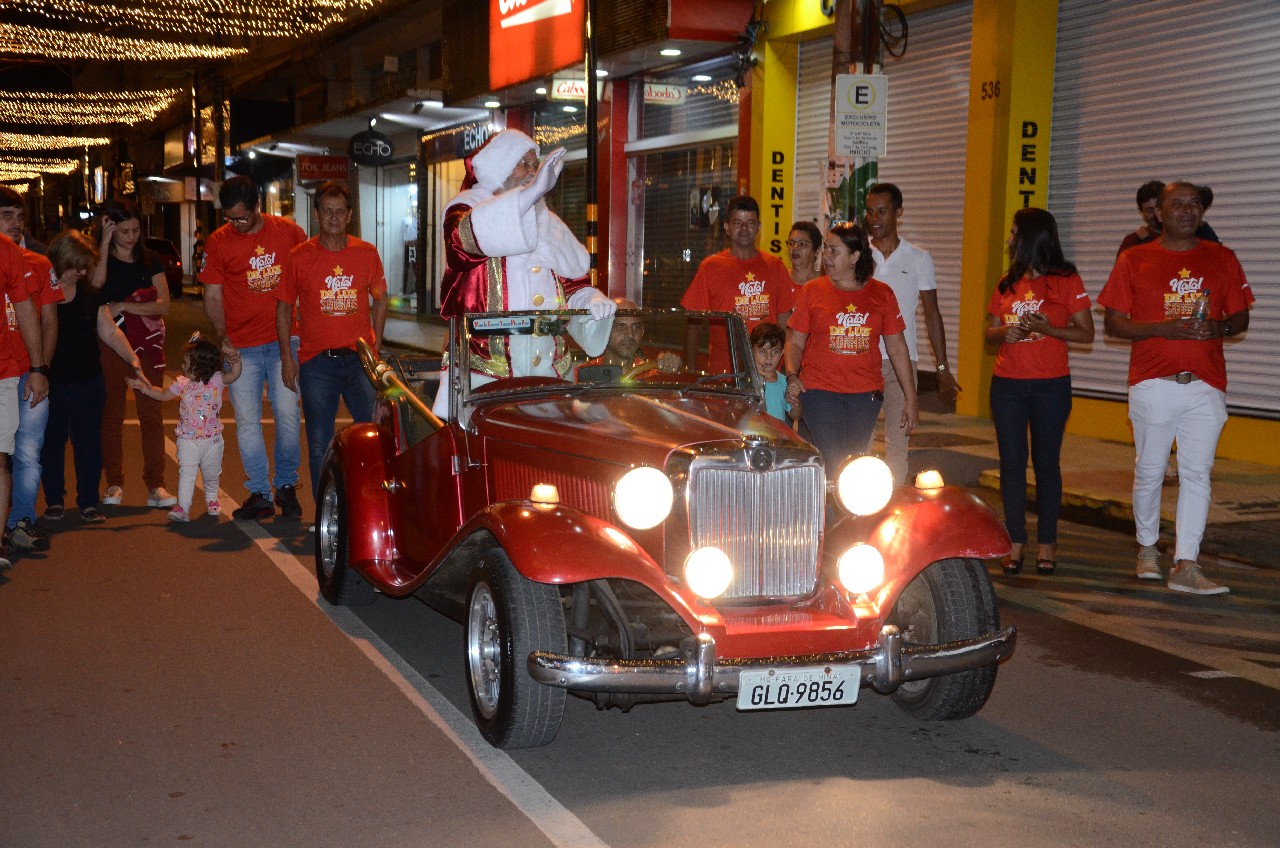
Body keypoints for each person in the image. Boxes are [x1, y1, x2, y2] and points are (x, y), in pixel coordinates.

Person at [1098, 181, 1254, 595]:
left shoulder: (1222, 258)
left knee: (1197, 474)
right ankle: (1148, 549)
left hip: (1206, 385)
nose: (1188, 210)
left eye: (1195, 204)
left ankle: (1186, 563)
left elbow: (1239, 319)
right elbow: (1113, 323)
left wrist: (1218, 327)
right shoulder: (1135, 259)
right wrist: (1166, 328)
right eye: (1177, 204)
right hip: (1153, 384)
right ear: (1158, 214)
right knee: (1149, 472)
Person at [433, 129, 615, 415]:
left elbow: (571, 284)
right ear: (501, 165)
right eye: (524, 163)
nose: (532, 171)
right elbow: (461, 245)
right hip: (487, 370)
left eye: (535, 164)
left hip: (548, 366)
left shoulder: (548, 220)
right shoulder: (466, 207)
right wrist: (527, 197)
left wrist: (590, 299)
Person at [984, 208, 1094, 577]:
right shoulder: (1007, 282)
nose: (1009, 238)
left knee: (1046, 465)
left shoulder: (1066, 280)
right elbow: (989, 331)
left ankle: (1048, 542)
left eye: (1014, 232)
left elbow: (1086, 333)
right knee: (1011, 465)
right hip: (1008, 386)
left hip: (1051, 386)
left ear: (1031, 238)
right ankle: (1015, 540)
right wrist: (1006, 333)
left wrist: (1049, 330)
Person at [202, 175, 307, 521]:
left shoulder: (288, 232)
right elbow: (213, 294)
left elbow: (307, 278)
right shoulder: (218, 243)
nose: (236, 224)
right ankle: (260, 491)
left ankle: (287, 485)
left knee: (288, 414)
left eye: (242, 217)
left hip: (284, 341)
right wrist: (223, 336)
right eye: (229, 218)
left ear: (258, 205)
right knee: (247, 421)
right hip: (241, 346)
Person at [275, 181, 388, 499]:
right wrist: (287, 356)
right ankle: (326, 510)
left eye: (340, 211)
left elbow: (380, 298)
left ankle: (370, 502)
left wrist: (375, 347)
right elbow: (283, 308)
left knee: (374, 433)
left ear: (349, 215)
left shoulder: (366, 253)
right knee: (319, 441)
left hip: (359, 361)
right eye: (327, 211)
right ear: (316, 214)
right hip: (316, 364)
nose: (334, 218)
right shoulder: (300, 256)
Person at [783, 222, 917, 471]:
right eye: (825, 249)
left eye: (834, 251)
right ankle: (834, 510)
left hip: (864, 395)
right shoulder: (813, 291)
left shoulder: (882, 294)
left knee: (852, 460)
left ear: (855, 256)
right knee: (836, 460)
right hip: (819, 391)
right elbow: (795, 340)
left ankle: (842, 510)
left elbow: (897, 348)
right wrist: (792, 375)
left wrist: (910, 398)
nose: (826, 256)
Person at [39, 230, 141, 525]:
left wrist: (131, 357)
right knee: (51, 443)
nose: (82, 272)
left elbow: (109, 330)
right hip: (52, 382)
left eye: (85, 266)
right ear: (60, 261)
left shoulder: (90, 294)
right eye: (77, 266)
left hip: (88, 381)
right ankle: (55, 501)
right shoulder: (42, 292)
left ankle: (88, 503)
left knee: (88, 444)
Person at [864, 183, 959, 485]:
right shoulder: (857, 256)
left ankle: (890, 511)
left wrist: (942, 367)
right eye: (870, 212)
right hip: (860, 362)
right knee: (860, 445)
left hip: (901, 365)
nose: (875, 218)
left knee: (897, 445)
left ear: (899, 213)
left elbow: (932, 314)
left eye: (882, 211)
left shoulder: (918, 258)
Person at [87, 197, 174, 509]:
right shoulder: (99, 259)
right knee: (111, 415)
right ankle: (114, 482)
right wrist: (105, 242)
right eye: (124, 231)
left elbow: (164, 303)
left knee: (150, 414)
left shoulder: (150, 260)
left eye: (135, 230)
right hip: (110, 344)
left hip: (146, 345)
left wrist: (124, 305)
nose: (131, 236)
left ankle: (156, 485)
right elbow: (95, 283)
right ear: (111, 227)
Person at [0, 187, 61, 553]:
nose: (16, 223)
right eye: (7, 215)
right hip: (4, 371)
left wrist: (42, 370)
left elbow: (49, 321)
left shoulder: (39, 265)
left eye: (20, 217)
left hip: (28, 372)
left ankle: (20, 521)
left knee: (26, 451)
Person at [128, 334, 242, 523]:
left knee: (211, 473)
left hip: (212, 440)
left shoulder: (216, 380)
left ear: (202, 365)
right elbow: (163, 395)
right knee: (186, 472)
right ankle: (183, 508)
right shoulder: (182, 383)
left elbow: (234, 374)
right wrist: (145, 388)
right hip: (187, 439)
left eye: (187, 363)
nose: (183, 366)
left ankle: (212, 498)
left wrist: (235, 360)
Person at [680, 195, 796, 374]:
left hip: (769, 372)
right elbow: (693, 322)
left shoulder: (775, 266)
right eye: (737, 222)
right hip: (724, 373)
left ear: (758, 227)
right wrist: (690, 368)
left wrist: (788, 371)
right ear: (727, 227)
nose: (744, 228)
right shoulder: (710, 267)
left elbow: (785, 323)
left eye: (750, 222)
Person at [750, 322, 798, 427]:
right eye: (762, 351)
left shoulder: (783, 382)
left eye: (775, 351)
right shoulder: (747, 380)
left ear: (782, 353)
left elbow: (795, 416)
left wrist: (793, 398)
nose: (769, 357)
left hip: (776, 437)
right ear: (751, 351)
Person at [1116, 180, 1165, 257]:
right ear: (1141, 212)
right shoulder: (1132, 241)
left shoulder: (1183, 238)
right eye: (1149, 210)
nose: (1156, 213)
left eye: (1159, 207)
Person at [786, 221, 822, 289]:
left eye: (801, 244)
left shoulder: (825, 283)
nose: (795, 248)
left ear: (817, 250)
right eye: (791, 243)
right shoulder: (780, 279)